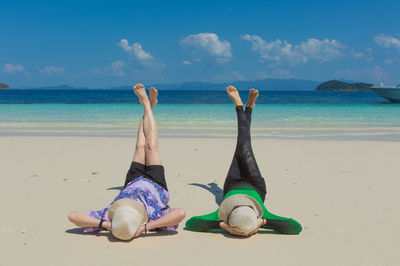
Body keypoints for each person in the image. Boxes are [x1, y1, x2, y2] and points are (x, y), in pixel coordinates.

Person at [68, 84, 185, 240]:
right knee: (151, 146)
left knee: (139, 146)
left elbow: (73, 216)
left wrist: (107, 225)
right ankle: (147, 105)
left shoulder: (111, 216)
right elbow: (180, 213)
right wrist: (146, 227)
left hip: (132, 182)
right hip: (156, 185)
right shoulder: (153, 218)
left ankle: (148, 106)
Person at [185, 86, 302, 236]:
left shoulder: (219, 217)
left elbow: (192, 223)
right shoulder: (263, 217)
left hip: (232, 184)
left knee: (242, 145)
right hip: (256, 185)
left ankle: (246, 108)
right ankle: (243, 108)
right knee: (244, 146)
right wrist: (262, 223)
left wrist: (223, 225)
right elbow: (295, 227)